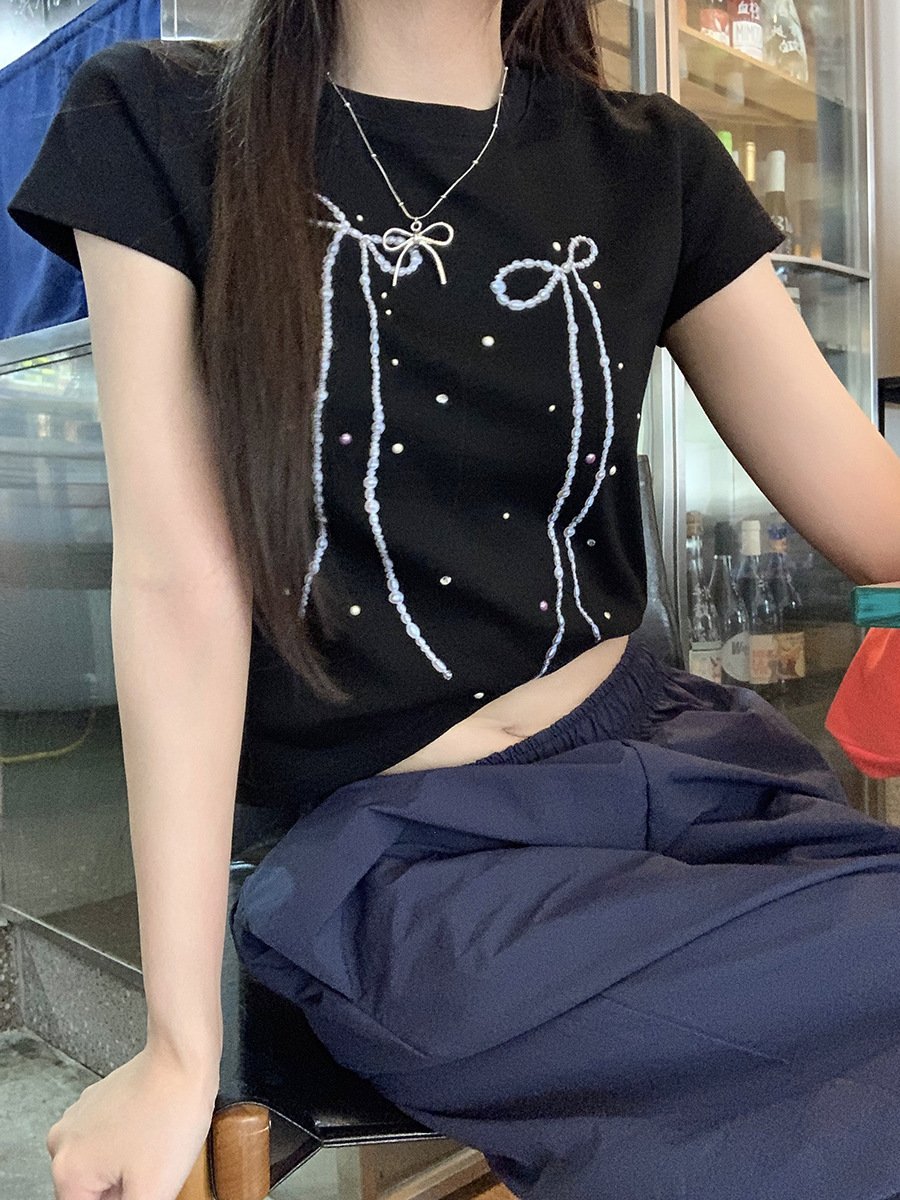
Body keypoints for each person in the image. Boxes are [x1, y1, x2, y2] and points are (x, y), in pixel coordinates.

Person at [8, 1, 900, 1198]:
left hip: (686, 775)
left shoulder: (656, 161)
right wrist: (178, 1044)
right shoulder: (161, 118)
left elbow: (872, 513)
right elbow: (180, 583)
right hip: (407, 858)